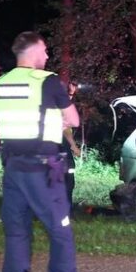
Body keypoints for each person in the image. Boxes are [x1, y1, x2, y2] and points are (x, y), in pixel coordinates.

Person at [0, 31, 86, 272]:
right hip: (43, 170)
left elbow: (26, 117)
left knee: (17, 234)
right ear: (32, 52)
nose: (46, 55)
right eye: (44, 50)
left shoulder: (0, 83)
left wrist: (53, 113)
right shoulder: (47, 81)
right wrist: (61, 110)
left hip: (13, 169)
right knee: (60, 231)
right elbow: (73, 120)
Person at [61, 81, 81, 217]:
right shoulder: (60, 106)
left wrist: (71, 93)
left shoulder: (47, 104)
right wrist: (73, 146)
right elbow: (66, 128)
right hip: (61, 146)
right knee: (68, 179)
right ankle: (66, 212)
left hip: (47, 146)